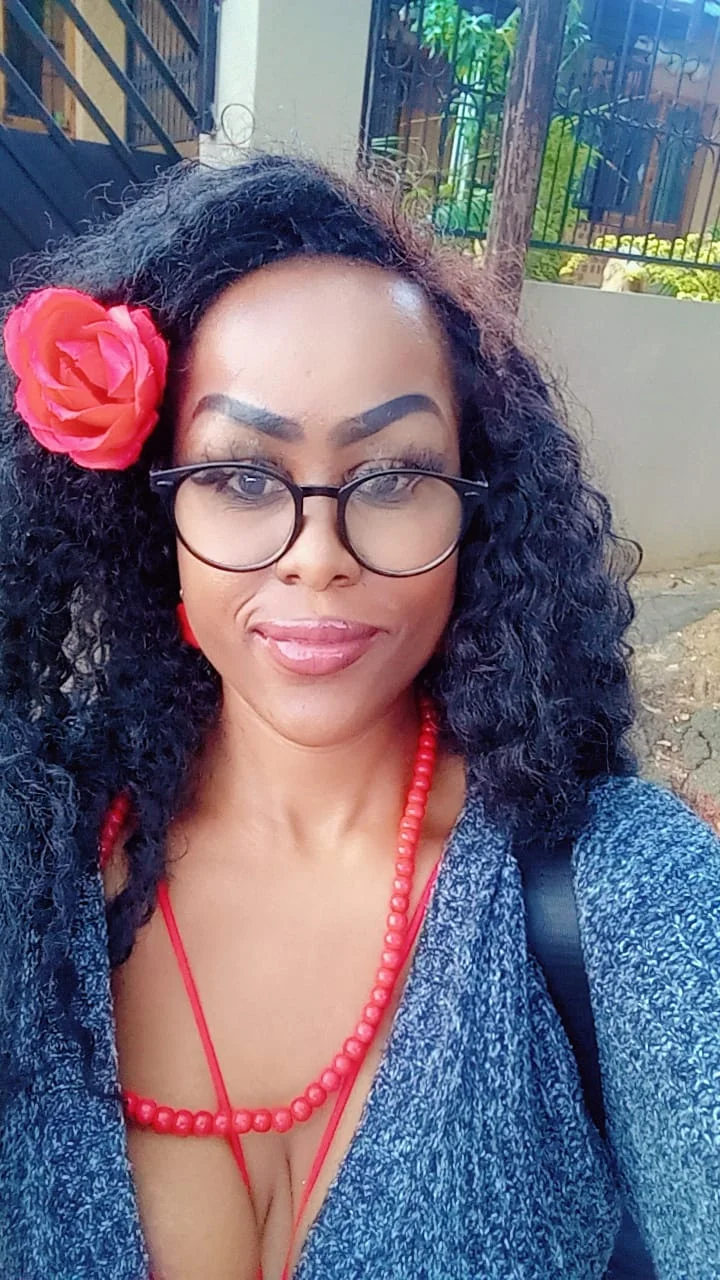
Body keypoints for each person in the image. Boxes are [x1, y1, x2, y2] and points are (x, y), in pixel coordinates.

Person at [0, 153, 718, 1280]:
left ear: (477, 505)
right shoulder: (30, 858)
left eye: (390, 477)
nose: (318, 557)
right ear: (156, 507)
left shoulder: (621, 886)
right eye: (242, 476)